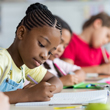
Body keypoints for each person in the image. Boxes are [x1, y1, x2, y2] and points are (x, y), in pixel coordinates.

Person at [0, 3, 63, 104]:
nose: (45, 56)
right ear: (21, 33)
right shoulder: (2, 60)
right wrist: (28, 94)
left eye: (50, 52)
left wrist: (45, 91)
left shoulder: (25, 66)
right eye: (42, 44)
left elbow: (56, 80)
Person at [43, 15, 85, 86]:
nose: (61, 49)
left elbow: (81, 72)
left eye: (64, 46)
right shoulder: (36, 64)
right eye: (59, 42)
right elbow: (36, 87)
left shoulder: (55, 62)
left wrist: (71, 78)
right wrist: (61, 82)